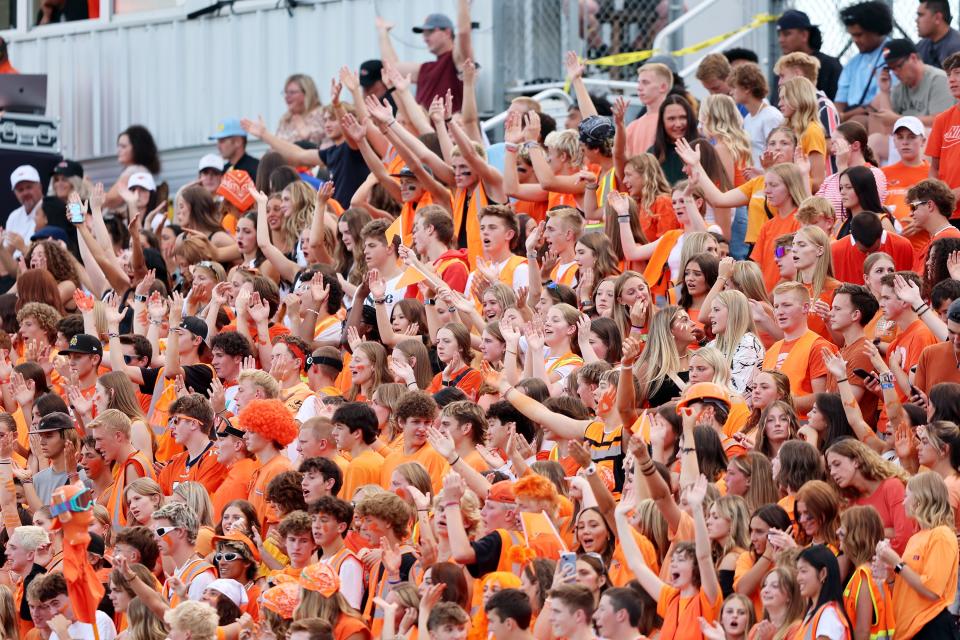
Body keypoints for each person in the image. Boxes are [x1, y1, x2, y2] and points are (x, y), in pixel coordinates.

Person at [876, 471, 959, 638]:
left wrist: (897, 562)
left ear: (921, 500)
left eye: (907, 496)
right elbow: (906, 585)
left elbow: (931, 591)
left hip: (930, 626)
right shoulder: (916, 538)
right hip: (908, 630)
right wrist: (890, 574)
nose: (903, 502)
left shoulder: (941, 535)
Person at [376, 2, 474, 112]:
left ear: (447, 32)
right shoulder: (427, 68)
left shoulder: (457, 61)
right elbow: (392, 69)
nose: (425, 38)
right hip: (426, 129)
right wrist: (383, 32)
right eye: (424, 33)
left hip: (448, 128)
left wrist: (464, 5)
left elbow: (464, 34)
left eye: (430, 32)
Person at [835, 1, 894, 122]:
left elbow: (877, 105)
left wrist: (844, 117)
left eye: (859, 35)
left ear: (876, 30)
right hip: (851, 118)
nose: (855, 40)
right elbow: (839, 103)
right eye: (852, 35)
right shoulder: (852, 64)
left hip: (878, 117)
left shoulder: (893, 56)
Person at [774, 10, 842, 100]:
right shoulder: (783, 67)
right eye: (779, 34)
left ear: (804, 35)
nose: (781, 39)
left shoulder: (829, 65)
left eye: (787, 34)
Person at [925, 54, 960, 218]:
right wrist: (937, 195)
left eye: (958, 73)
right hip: (949, 213)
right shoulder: (942, 119)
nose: (952, 79)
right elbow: (934, 167)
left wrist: (953, 194)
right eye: (948, 75)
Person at [794, 545, 851, 640]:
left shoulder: (828, 616)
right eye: (798, 572)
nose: (798, 578)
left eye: (803, 571)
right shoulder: (816, 611)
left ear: (823, 573)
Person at [625, 62, 674, 157]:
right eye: (638, 83)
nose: (639, 88)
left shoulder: (673, 123)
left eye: (645, 82)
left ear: (663, 87)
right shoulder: (632, 127)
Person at [276, 74, 324, 146]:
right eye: (286, 92)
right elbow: (274, 147)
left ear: (307, 93)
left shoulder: (320, 113)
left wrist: (302, 127)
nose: (287, 97)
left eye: (292, 92)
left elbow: (316, 145)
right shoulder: (285, 119)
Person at [6, 165, 43, 251]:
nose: (25, 193)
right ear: (15, 193)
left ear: (40, 186)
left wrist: (22, 247)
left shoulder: (50, 209)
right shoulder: (13, 216)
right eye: (20, 190)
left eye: (29, 187)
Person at [916, 0, 960, 69]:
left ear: (937, 18)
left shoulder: (956, 46)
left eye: (921, 15)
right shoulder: (922, 45)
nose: (916, 20)